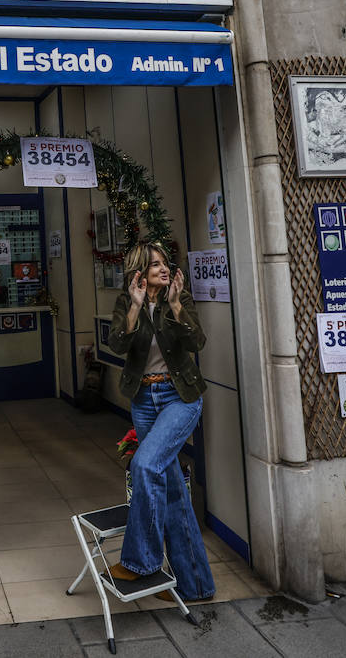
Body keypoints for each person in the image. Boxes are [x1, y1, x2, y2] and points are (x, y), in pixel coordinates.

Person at [105, 240, 215, 602]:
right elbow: (118, 344)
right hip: (144, 401)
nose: (163, 269)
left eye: (165, 264)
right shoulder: (126, 302)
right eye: (154, 265)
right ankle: (194, 583)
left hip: (179, 398)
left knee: (145, 464)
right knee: (170, 490)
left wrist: (175, 306)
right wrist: (137, 307)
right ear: (140, 272)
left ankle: (141, 562)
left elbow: (197, 340)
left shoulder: (178, 299)